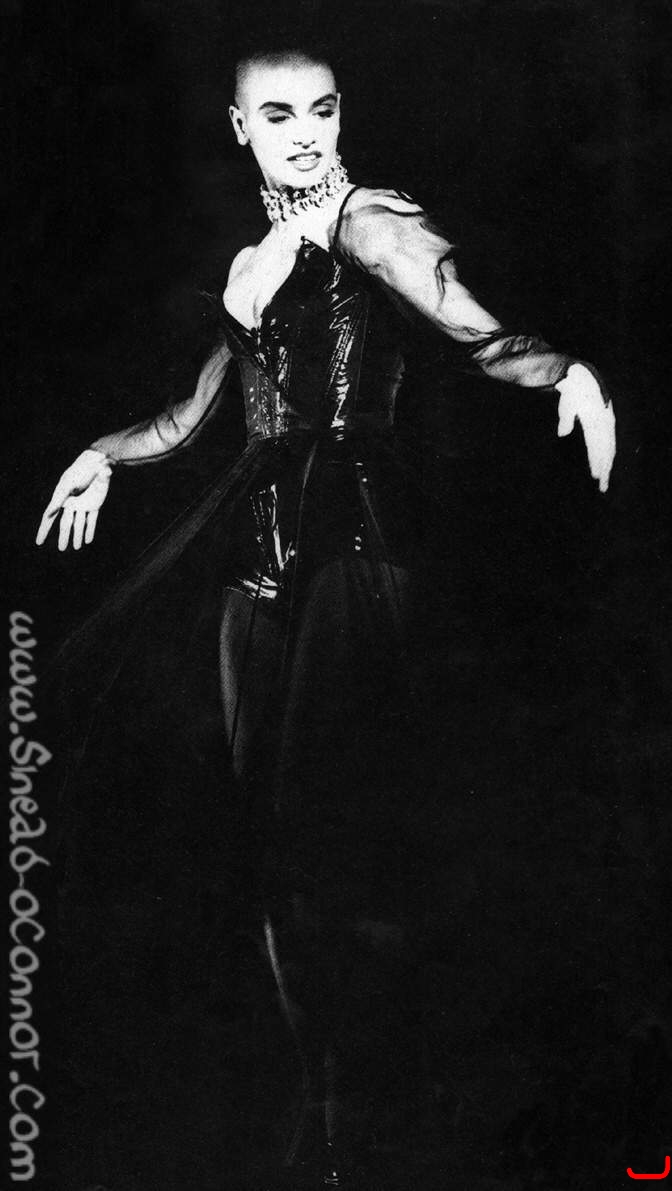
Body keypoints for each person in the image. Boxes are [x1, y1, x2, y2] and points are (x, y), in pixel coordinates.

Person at [36, 36, 616, 1190]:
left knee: (337, 845)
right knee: (263, 850)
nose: (306, 134)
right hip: (252, 576)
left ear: (343, 116)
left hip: (352, 559)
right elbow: (199, 414)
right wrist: (102, 452)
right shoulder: (258, 255)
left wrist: (564, 371)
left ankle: (365, 1115)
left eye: (324, 110)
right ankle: (323, 1097)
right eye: (280, 115)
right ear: (240, 128)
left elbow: (463, 317)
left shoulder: (370, 223)